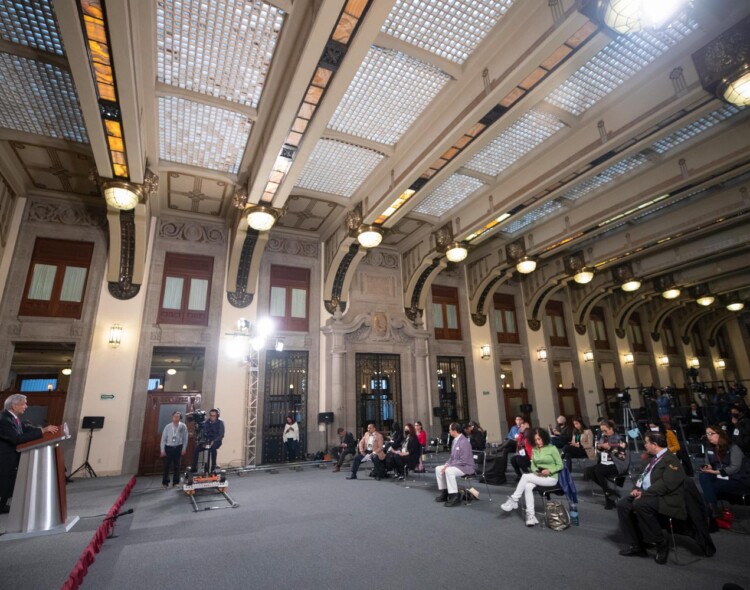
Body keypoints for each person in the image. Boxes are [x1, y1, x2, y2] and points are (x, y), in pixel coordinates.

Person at [616, 431, 686, 565]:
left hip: (665, 497)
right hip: (646, 493)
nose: (645, 445)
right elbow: (641, 476)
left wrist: (645, 493)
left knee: (640, 504)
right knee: (622, 505)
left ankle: (660, 542)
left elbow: (667, 483)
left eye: (647, 442)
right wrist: (636, 488)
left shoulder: (671, 459)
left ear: (655, 444)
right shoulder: (650, 459)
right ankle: (636, 545)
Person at [0, 394, 59, 513]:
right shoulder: (4, 419)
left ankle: (1, 505)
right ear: (14, 405)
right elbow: (17, 438)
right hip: (4, 457)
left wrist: (42, 430)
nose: (26, 406)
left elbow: (23, 429)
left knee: (7, 482)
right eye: (23, 404)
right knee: (3, 482)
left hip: (10, 457)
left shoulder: (13, 417)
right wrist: (42, 431)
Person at [500, 428, 563, 526]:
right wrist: (536, 472)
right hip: (540, 476)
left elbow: (560, 465)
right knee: (528, 486)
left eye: (539, 439)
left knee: (525, 476)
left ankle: (514, 500)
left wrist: (549, 470)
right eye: (536, 440)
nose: (538, 442)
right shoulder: (534, 449)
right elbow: (533, 465)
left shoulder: (552, 448)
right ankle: (531, 516)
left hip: (551, 478)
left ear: (544, 438)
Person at [698, 425, 750, 518]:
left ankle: (711, 511)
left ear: (720, 434)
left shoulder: (733, 448)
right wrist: (706, 467)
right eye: (707, 434)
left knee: (711, 488)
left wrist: (714, 472)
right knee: (703, 476)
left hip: (737, 478)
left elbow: (734, 468)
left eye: (711, 433)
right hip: (721, 476)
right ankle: (713, 510)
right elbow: (709, 464)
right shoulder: (709, 448)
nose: (708, 436)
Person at [584, 420, 630, 509]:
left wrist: (609, 448)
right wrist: (599, 448)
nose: (604, 433)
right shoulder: (603, 438)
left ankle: (609, 499)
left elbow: (622, 456)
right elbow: (600, 452)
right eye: (602, 431)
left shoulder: (620, 439)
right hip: (605, 463)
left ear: (611, 428)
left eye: (605, 431)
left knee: (598, 471)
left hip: (618, 464)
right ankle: (609, 491)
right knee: (588, 471)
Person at [434, 422, 474, 507]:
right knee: (438, 469)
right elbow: (452, 457)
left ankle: (454, 496)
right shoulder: (455, 441)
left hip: (465, 467)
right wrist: (446, 464)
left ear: (454, 430)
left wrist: (449, 466)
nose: (449, 431)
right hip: (456, 465)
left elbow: (463, 460)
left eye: (450, 430)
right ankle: (446, 492)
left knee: (449, 471)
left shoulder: (464, 441)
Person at [160, 411, 188, 488]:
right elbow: (163, 439)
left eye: (178, 416)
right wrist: (162, 450)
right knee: (166, 466)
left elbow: (185, 439)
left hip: (178, 448)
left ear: (180, 418)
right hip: (168, 448)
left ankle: (176, 482)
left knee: (177, 466)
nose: (176, 418)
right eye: (174, 416)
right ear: (172, 417)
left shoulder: (183, 426)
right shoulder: (168, 427)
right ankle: (165, 483)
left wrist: (184, 448)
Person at [191, 408, 224, 473]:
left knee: (213, 449)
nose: (212, 417)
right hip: (207, 441)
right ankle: (194, 468)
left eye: (214, 416)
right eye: (211, 415)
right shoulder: (206, 422)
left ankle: (213, 467)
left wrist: (213, 441)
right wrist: (203, 441)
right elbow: (204, 433)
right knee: (196, 450)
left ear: (217, 416)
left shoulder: (220, 423)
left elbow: (221, 435)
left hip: (216, 441)